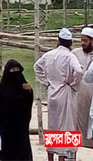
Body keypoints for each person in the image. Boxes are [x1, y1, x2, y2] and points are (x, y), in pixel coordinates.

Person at [34, 28, 84, 161]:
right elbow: (79, 71)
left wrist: (46, 82)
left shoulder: (49, 54)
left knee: (53, 125)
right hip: (65, 91)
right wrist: (73, 84)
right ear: (70, 42)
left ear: (58, 41)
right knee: (66, 125)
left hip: (52, 92)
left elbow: (37, 67)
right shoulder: (70, 56)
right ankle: (62, 157)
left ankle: (50, 156)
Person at [0, 60, 33, 160]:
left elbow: (27, 105)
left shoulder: (24, 87)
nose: (16, 72)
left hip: (20, 126)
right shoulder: (4, 89)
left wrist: (29, 92)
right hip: (7, 127)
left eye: (17, 70)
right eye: (13, 70)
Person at [74, 27, 93, 150]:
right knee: (72, 128)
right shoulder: (74, 54)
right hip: (77, 97)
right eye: (81, 40)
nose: (83, 43)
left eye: (85, 40)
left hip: (92, 98)